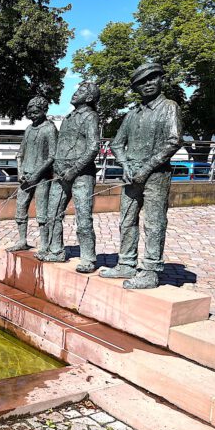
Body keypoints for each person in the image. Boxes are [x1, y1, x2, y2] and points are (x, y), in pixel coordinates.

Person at [100, 62, 182, 289]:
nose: (148, 84)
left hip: (156, 175)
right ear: (136, 87)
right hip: (130, 174)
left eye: (152, 78)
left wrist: (146, 168)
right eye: (142, 82)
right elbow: (117, 144)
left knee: (154, 223)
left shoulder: (169, 107)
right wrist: (125, 165)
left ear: (160, 80)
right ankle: (126, 263)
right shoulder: (132, 114)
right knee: (127, 220)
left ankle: (151, 270)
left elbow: (173, 141)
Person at [38, 81, 100, 273]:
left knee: (83, 217)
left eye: (81, 91)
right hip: (60, 172)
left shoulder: (90, 117)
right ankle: (56, 250)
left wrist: (75, 168)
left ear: (89, 98)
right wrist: (56, 165)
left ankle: (88, 258)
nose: (75, 93)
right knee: (52, 213)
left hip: (82, 174)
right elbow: (60, 146)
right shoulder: (67, 118)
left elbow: (93, 147)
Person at [7, 96, 57, 254]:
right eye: (30, 113)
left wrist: (36, 174)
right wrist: (20, 172)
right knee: (20, 208)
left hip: (42, 177)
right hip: (26, 176)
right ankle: (22, 240)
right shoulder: (28, 129)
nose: (32, 115)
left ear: (44, 111)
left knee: (42, 212)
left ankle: (44, 245)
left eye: (36, 112)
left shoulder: (50, 129)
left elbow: (52, 156)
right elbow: (20, 153)